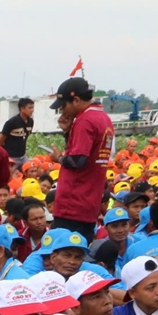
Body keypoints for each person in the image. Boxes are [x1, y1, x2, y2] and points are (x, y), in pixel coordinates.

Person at [50, 78, 113, 239]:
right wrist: (67, 133)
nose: (62, 111)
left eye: (64, 105)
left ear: (76, 100)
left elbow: (78, 160)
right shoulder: (103, 118)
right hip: (90, 203)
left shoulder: (85, 120)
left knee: (60, 254)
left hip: (72, 204)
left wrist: (59, 158)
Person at [0, 99, 36, 166]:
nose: (32, 110)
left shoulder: (30, 122)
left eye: (32, 107)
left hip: (23, 156)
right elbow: (1, 141)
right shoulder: (11, 122)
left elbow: (25, 137)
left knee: (31, 169)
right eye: (30, 108)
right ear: (22, 109)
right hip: (11, 157)